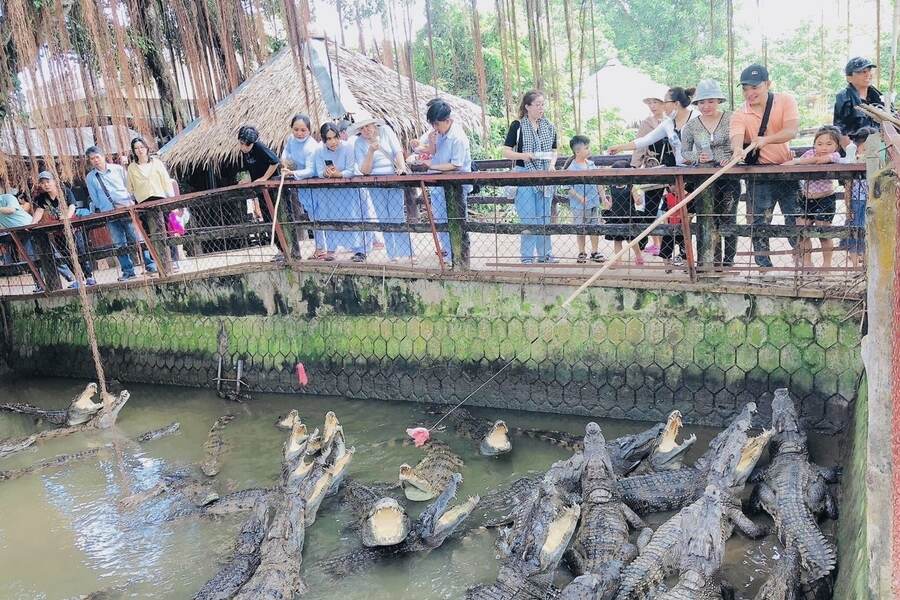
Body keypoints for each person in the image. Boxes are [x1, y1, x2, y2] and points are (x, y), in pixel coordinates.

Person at [729, 64, 800, 269]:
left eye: (754, 87)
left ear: (767, 84)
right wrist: (737, 150)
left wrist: (765, 140)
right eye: (745, 88)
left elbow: (791, 131)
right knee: (759, 222)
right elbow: (736, 136)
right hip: (759, 174)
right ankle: (763, 267)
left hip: (787, 170)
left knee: (795, 219)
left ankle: (802, 262)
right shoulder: (740, 113)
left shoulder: (786, 100)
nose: (749, 93)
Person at [680, 79, 739, 267]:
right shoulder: (691, 126)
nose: (706, 106)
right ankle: (709, 259)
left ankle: (728, 260)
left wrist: (730, 158)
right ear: (696, 104)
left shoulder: (732, 118)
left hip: (729, 175)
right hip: (703, 177)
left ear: (718, 101)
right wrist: (698, 156)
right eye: (702, 102)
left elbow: (741, 142)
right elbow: (684, 152)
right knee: (706, 217)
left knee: (728, 216)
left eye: (711, 101)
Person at [501, 90, 558, 263]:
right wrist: (523, 156)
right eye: (537, 104)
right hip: (524, 173)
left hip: (544, 174)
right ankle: (527, 257)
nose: (541, 108)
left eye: (543, 104)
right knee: (528, 217)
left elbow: (554, 150)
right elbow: (506, 151)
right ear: (527, 107)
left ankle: (545, 255)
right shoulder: (517, 126)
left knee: (544, 217)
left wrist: (552, 164)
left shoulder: (549, 126)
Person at [85, 145, 157, 281]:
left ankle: (150, 265)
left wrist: (128, 202)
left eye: (97, 157)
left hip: (126, 209)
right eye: (92, 159)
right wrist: (104, 208)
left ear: (103, 156)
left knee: (137, 238)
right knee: (119, 243)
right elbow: (94, 198)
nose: (95, 160)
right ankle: (128, 271)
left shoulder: (118, 169)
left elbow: (129, 187)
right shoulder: (90, 178)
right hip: (109, 213)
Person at [417, 99, 472, 261]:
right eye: (433, 124)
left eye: (437, 124)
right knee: (441, 219)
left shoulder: (458, 138)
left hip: (456, 185)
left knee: (457, 220)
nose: (435, 128)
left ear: (448, 120)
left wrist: (431, 166)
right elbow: (432, 151)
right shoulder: (439, 133)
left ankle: (460, 256)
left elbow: (456, 164)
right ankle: (448, 254)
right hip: (438, 183)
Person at [353, 117, 412, 262]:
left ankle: (407, 252)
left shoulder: (385, 131)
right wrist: (371, 152)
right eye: (362, 128)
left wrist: (401, 168)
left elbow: (397, 151)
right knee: (383, 217)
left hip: (392, 178)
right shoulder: (358, 143)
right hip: (375, 181)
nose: (366, 130)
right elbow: (364, 170)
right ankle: (393, 254)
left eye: (368, 126)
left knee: (397, 214)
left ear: (374, 124)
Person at [784, 126, 843, 269]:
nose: (824, 147)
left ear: (836, 146)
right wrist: (797, 160)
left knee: (824, 234)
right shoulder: (809, 153)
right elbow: (802, 160)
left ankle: (826, 264)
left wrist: (797, 162)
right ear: (814, 144)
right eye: (820, 143)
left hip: (825, 199)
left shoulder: (836, 156)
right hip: (805, 199)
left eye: (829, 144)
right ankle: (807, 262)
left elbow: (820, 161)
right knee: (802, 232)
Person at [32, 171, 96, 286]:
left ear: (54, 181)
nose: (46, 185)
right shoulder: (43, 198)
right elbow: (39, 210)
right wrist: (32, 223)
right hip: (58, 232)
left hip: (72, 228)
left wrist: (67, 217)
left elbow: (72, 205)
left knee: (80, 252)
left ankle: (89, 276)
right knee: (66, 255)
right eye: (43, 183)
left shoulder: (65, 191)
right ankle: (78, 279)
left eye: (48, 181)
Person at [314, 122, 366, 262]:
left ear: (339, 136)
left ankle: (360, 250)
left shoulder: (348, 147)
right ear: (324, 140)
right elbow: (319, 171)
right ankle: (331, 249)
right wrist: (326, 174)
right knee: (331, 218)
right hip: (330, 193)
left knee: (353, 217)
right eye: (328, 139)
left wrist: (339, 174)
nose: (333, 142)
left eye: (335, 137)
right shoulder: (319, 151)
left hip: (348, 191)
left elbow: (351, 169)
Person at [608, 86, 697, 167]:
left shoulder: (697, 118)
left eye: (665, 102)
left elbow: (706, 143)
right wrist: (620, 147)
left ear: (676, 104)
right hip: (681, 171)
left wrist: (694, 157)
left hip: (700, 168)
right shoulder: (668, 124)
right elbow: (646, 140)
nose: (664, 106)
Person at [126, 137, 176, 270]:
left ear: (146, 148)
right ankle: (159, 263)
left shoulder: (157, 163)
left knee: (167, 230)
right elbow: (130, 188)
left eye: (141, 147)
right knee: (150, 233)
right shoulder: (132, 168)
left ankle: (173, 260)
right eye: (136, 148)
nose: (139, 150)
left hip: (160, 199)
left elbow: (166, 181)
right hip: (144, 203)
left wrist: (171, 200)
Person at [631, 90, 669, 255]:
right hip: (653, 167)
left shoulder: (672, 120)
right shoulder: (646, 123)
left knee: (675, 208)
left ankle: (672, 248)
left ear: (663, 103)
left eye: (656, 102)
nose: (653, 106)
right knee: (651, 208)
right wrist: (634, 166)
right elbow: (639, 144)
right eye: (650, 103)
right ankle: (644, 242)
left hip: (671, 167)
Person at [281, 114, 323, 258]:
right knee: (312, 215)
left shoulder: (311, 146)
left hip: (315, 183)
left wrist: (292, 173)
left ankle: (322, 248)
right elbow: (285, 153)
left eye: (303, 130)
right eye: (296, 129)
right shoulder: (291, 140)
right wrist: (285, 163)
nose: (299, 133)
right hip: (301, 183)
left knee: (319, 215)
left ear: (309, 130)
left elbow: (311, 170)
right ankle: (320, 247)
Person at [833, 57, 890, 146]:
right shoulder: (844, 98)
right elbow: (841, 131)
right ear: (849, 78)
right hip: (857, 149)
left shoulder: (878, 96)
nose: (868, 74)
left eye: (869, 71)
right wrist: (854, 154)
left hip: (882, 147)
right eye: (861, 72)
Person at [841, 127, 876, 267]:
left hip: (873, 200)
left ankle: (867, 264)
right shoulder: (852, 160)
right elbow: (848, 187)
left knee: (871, 232)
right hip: (857, 201)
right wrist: (847, 206)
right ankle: (855, 264)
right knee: (854, 231)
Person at [566, 135, 604, 263]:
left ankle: (595, 251)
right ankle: (581, 252)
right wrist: (579, 197)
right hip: (578, 204)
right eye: (586, 148)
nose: (588, 150)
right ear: (577, 151)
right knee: (580, 228)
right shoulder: (571, 168)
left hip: (593, 201)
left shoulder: (591, 165)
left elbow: (599, 183)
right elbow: (567, 187)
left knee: (594, 227)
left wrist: (603, 198)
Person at [602, 161, 644, 266]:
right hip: (616, 216)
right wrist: (606, 210)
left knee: (632, 239)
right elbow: (611, 202)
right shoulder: (612, 187)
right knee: (617, 240)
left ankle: (638, 256)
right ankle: (618, 260)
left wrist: (639, 199)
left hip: (629, 215)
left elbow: (637, 201)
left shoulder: (631, 187)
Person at [237, 125, 279, 227]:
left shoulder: (259, 147)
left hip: (272, 188)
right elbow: (252, 169)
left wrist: (264, 178)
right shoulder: (245, 152)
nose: (243, 147)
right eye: (241, 144)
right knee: (267, 216)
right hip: (261, 188)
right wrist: (247, 181)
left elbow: (275, 161)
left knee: (277, 216)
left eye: (246, 145)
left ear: (252, 143)